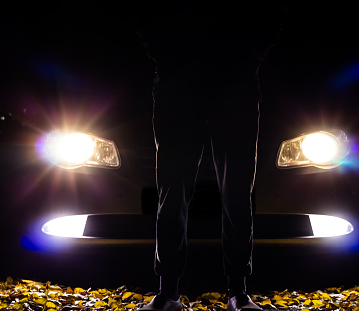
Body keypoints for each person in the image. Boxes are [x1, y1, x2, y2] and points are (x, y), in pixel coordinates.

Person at [134, 3, 286, 310]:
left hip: (226, 84)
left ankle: (230, 290)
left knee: (233, 192)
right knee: (176, 192)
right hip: (190, 84)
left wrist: (249, 57)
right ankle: (177, 291)